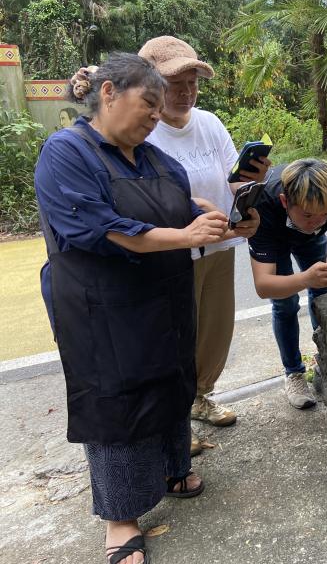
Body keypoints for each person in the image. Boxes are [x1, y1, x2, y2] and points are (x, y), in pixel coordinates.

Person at [35, 53, 260, 564]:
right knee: (117, 398)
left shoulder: (156, 160)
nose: (158, 116)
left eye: (161, 109)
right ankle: (120, 517)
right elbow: (100, 228)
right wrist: (183, 235)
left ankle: (173, 467)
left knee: (172, 378)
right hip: (101, 308)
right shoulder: (67, 152)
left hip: (163, 296)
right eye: (150, 103)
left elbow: (190, 207)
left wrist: (229, 221)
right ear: (109, 92)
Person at [72, 36, 270, 456]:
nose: (186, 92)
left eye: (193, 82)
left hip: (217, 243)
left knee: (215, 333)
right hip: (167, 252)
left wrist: (250, 186)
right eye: (175, 83)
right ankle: (174, 419)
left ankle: (199, 398)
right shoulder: (139, 129)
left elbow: (230, 179)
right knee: (175, 337)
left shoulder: (210, 123)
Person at [249, 158, 327, 408]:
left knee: (322, 292)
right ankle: (293, 373)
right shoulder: (264, 203)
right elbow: (264, 285)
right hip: (275, 237)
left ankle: (323, 357)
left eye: (325, 214)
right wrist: (304, 278)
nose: (319, 221)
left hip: (310, 241)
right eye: (309, 214)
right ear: (285, 202)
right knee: (285, 304)